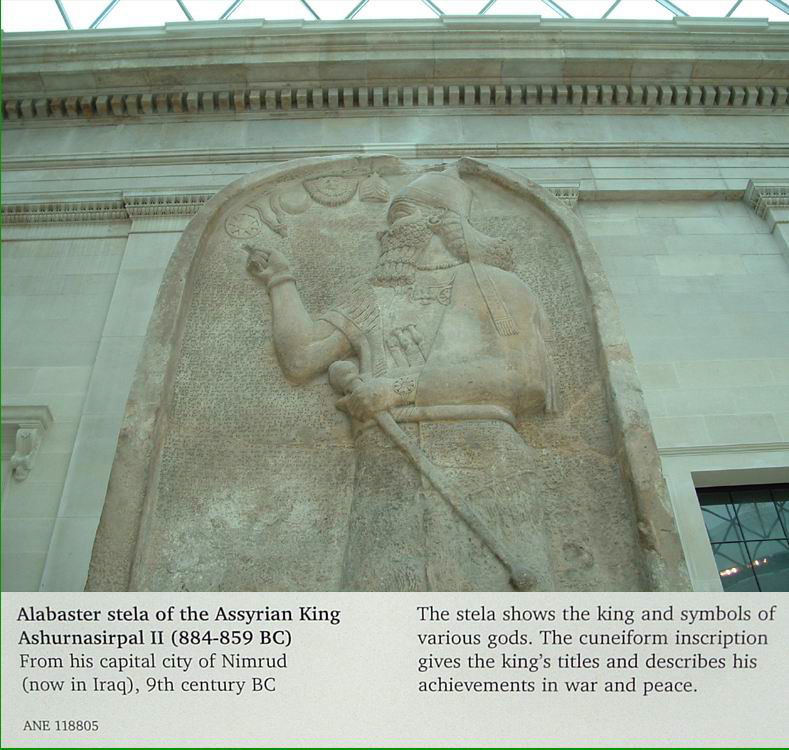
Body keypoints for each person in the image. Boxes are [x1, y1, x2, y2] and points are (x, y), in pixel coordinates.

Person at [246, 171, 557, 591]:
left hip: (485, 459)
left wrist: (398, 388)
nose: (385, 231)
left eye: (400, 215)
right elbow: (302, 357)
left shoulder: (497, 285)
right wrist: (279, 280)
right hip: (388, 466)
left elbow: (524, 377)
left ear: (438, 219)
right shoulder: (377, 295)